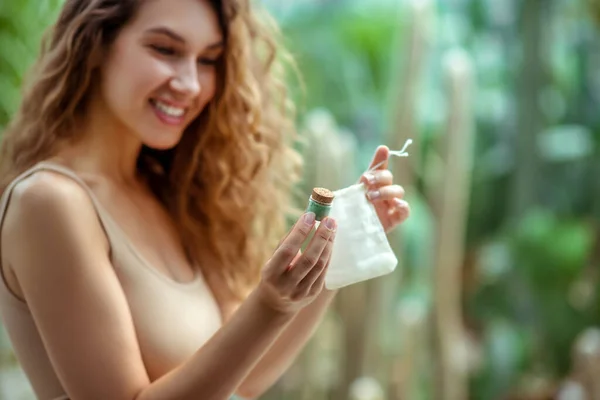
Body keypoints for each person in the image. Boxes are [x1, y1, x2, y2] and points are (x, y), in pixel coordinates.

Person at [0, 0, 411, 399]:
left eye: (209, 59)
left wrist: (336, 248)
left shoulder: (171, 195)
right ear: (95, 45)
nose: (191, 84)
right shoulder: (49, 203)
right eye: (165, 49)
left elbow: (244, 381)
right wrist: (269, 303)